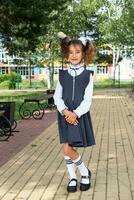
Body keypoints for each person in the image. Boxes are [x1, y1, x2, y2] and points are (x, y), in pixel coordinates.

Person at [53, 32, 96, 193]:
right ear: (67, 54)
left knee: (68, 148)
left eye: (77, 52)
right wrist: (65, 111)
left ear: (84, 53)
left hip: (78, 115)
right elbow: (57, 96)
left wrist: (75, 113)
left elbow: (87, 100)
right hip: (65, 115)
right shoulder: (63, 75)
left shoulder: (88, 75)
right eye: (71, 52)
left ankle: (82, 173)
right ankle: (77, 175)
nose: (74, 55)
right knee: (67, 147)